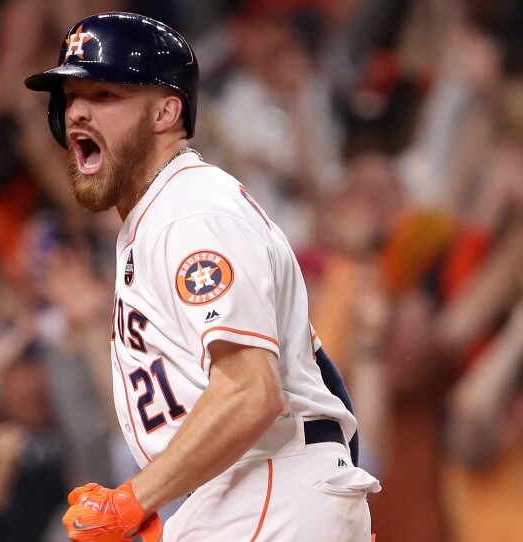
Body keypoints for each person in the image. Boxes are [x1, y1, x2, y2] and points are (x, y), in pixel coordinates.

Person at [24, 11, 381, 542]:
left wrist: (132, 498)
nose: (77, 112)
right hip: (253, 491)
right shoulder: (158, 220)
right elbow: (314, 373)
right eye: (71, 98)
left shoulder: (191, 210)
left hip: (267, 486)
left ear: (166, 111)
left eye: (104, 96)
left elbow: (250, 391)